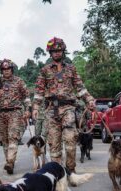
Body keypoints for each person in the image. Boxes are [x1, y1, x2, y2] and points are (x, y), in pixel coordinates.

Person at [32, 37, 95, 174]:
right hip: (50, 110)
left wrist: (89, 100)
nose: (56, 53)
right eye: (54, 51)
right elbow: (38, 91)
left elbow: (80, 88)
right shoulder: (45, 70)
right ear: (50, 53)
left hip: (68, 109)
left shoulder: (71, 69)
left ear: (63, 51)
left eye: (59, 50)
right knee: (54, 145)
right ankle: (56, 174)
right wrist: (36, 107)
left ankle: (71, 170)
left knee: (70, 140)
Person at [0, 59, 31, 174]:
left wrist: (27, 110)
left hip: (15, 113)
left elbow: (26, 97)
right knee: (4, 140)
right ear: (2, 70)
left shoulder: (19, 81)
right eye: (4, 69)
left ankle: (10, 162)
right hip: (0, 114)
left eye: (8, 69)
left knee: (13, 137)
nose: (6, 71)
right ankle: (9, 162)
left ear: (12, 70)